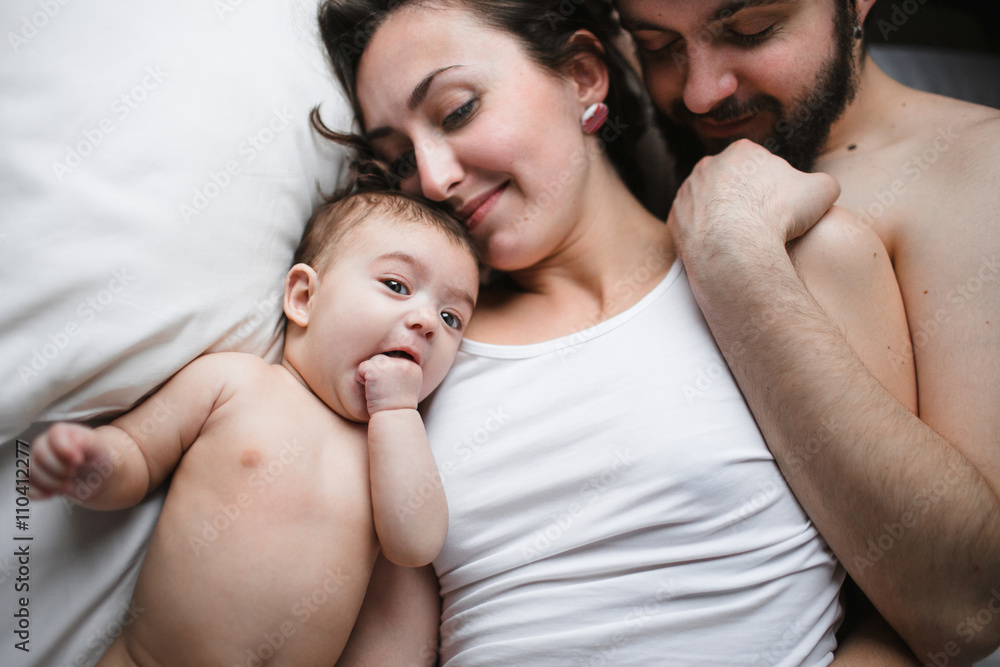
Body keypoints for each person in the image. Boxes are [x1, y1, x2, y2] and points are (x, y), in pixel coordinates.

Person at [313, 0, 921, 663]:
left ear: (582, 76)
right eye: (399, 158)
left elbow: (914, 615)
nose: (433, 179)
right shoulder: (412, 350)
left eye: (458, 111)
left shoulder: (808, 265)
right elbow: (396, 642)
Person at [616, 0, 1000, 662]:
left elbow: (969, 603)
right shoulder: (651, 161)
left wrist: (740, 266)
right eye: (657, 46)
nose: (702, 92)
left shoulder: (977, 171)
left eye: (752, 31)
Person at [26, 191, 480, 666]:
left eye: (451, 318)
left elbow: (415, 546)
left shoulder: (394, 455)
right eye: (397, 285)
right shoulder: (235, 383)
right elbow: (136, 453)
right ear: (304, 298)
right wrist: (94, 464)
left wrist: (397, 412)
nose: (427, 321)